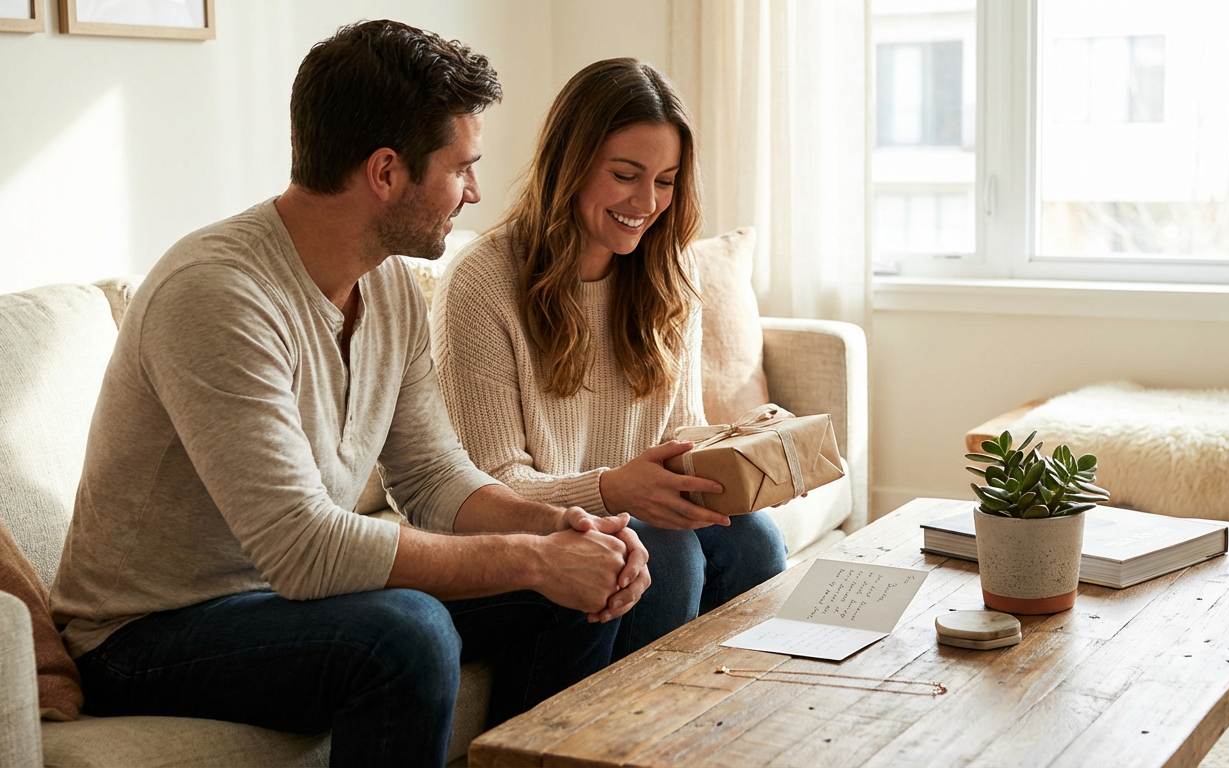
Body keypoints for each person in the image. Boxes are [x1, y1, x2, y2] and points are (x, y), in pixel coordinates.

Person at [48, 21, 648, 768]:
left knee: (589, 578)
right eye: (462, 168)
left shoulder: (389, 284)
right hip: (148, 634)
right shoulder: (217, 294)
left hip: (284, 604)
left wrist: (559, 528)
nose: (475, 191)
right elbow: (304, 550)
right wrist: (530, 558)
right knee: (408, 632)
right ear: (387, 172)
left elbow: (431, 478)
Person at [431, 58, 788, 660]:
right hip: (525, 539)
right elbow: (487, 489)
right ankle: (625, 742)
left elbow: (679, 434)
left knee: (751, 537)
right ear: (570, 165)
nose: (647, 202)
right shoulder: (481, 283)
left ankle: (733, 722)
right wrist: (611, 490)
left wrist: (751, 451)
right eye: (626, 174)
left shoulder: (669, 279)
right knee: (663, 550)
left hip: (627, 521)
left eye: (667, 180)